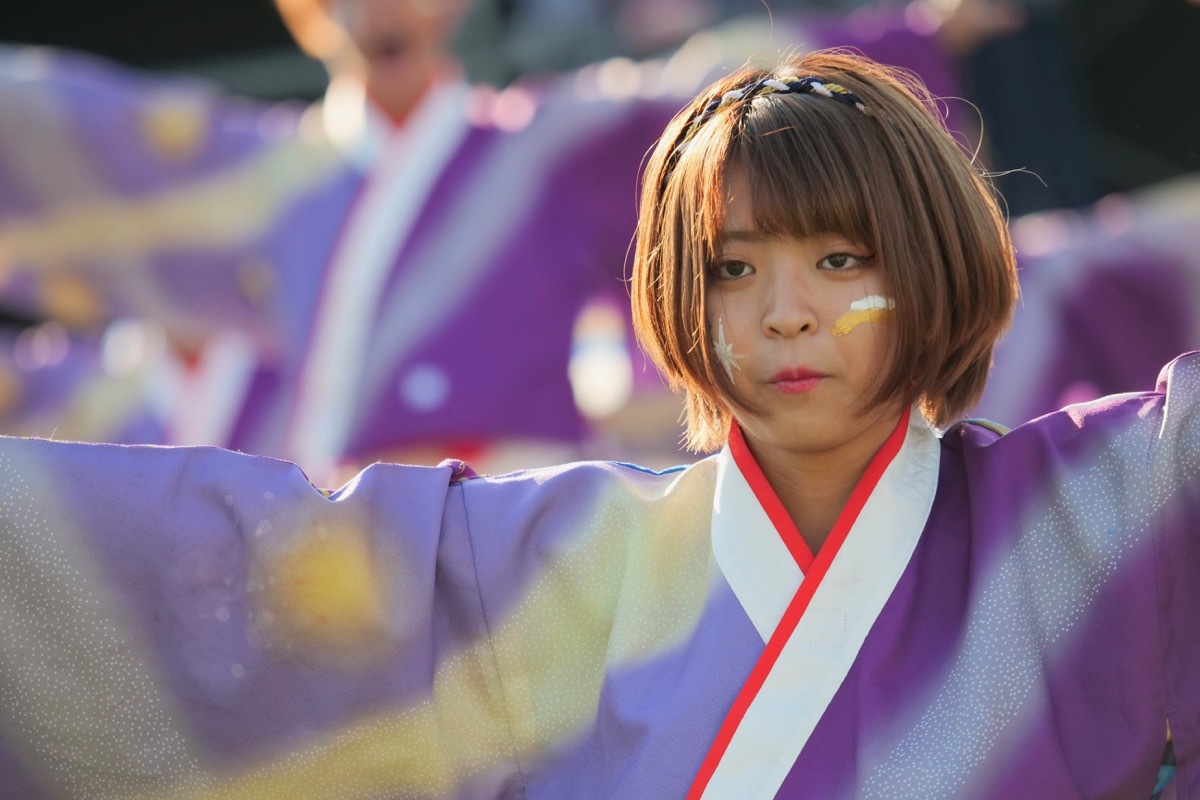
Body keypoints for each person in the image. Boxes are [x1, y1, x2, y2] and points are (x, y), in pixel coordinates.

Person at [0, 48, 1191, 800]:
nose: (784, 314)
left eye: (842, 260)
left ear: (931, 268)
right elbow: (207, 564)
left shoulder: (1100, 514)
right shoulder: (551, 568)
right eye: (730, 268)